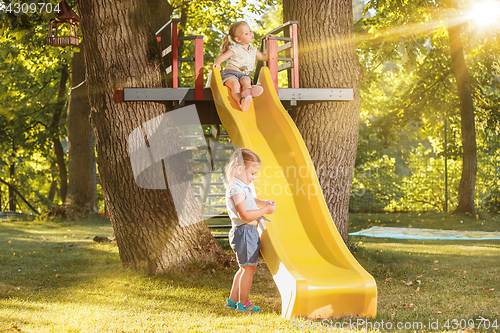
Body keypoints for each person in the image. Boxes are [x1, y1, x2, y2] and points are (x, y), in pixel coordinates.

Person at [223, 148, 276, 312]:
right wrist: (265, 211)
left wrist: (263, 202)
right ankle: (243, 303)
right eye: (252, 173)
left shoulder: (240, 186)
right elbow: (244, 214)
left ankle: (232, 301)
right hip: (245, 232)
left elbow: (250, 200)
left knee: (245, 268)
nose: (254, 177)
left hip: (247, 232)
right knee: (249, 269)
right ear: (240, 169)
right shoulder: (236, 189)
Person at [211, 21, 269, 111]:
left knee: (246, 81)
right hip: (230, 74)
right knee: (235, 85)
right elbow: (221, 57)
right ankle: (240, 100)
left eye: (250, 31)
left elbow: (265, 57)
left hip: (244, 74)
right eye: (246, 33)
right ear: (238, 39)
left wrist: (269, 42)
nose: (250, 34)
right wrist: (217, 63)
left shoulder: (253, 50)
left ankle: (248, 93)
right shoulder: (235, 48)